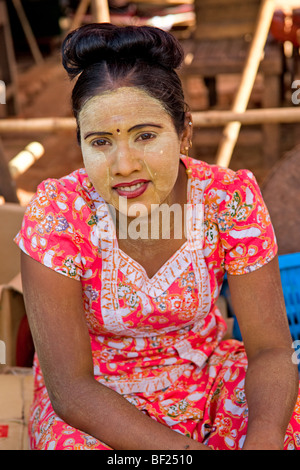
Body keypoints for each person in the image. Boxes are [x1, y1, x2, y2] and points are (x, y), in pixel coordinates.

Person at [15, 23, 300, 451]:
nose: (124, 164)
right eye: (100, 142)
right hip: (97, 406)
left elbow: (271, 351)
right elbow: (71, 389)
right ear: (81, 144)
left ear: (183, 132)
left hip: (205, 375)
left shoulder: (229, 200)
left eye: (145, 136)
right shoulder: (57, 215)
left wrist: (263, 441)